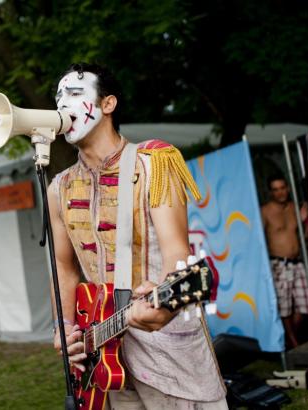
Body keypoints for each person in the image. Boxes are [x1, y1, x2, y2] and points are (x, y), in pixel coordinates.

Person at [48, 63, 227, 409]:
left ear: (108, 104)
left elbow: (178, 250)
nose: (61, 105)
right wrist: (64, 325)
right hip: (104, 358)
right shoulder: (59, 188)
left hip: (167, 343)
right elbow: (63, 267)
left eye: (73, 94)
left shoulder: (153, 163)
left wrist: (163, 297)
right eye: (58, 97)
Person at [261, 174, 308, 349]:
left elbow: (304, 237)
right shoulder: (265, 211)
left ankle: (289, 338)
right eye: (275, 189)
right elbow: (258, 239)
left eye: (282, 188)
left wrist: (305, 222)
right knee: (284, 307)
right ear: (271, 192)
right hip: (278, 264)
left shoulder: (294, 208)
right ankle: (294, 343)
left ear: (288, 188)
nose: (280, 192)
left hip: (297, 262)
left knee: (305, 305)